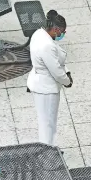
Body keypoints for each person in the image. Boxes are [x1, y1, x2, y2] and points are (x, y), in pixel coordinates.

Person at [27, 10, 72, 146]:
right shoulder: (47, 45)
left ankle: (49, 149)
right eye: (62, 31)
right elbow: (56, 71)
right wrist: (67, 81)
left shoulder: (39, 33)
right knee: (48, 123)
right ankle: (46, 152)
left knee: (46, 121)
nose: (62, 34)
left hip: (39, 82)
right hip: (46, 88)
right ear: (55, 29)